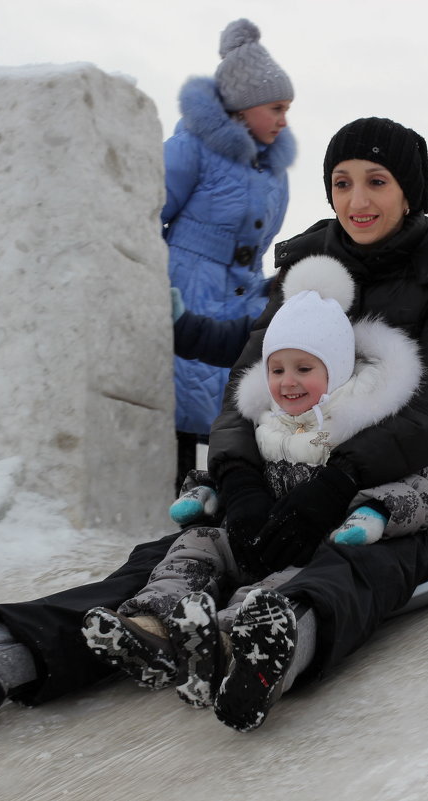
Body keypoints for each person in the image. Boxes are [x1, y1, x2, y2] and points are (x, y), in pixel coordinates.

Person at [0, 117, 428, 734]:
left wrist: (339, 482)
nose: (357, 199)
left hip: (401, 497)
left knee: (347, 569)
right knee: (168, 565)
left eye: (376, 182)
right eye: (342, 181)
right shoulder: (309, 266)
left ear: (409, 191)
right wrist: (240, 484)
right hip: (281, 474)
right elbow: (248, 384)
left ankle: (269, 652)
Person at [82, 253, 428, 714]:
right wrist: (206, 492)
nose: (288, 383)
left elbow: (419, 487)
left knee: (286, 585)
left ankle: (232, 641)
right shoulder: (264, 422)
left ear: (336, 370)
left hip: (313, 545)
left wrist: (373, 514)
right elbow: (229, 470)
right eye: (277, 370)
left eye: (304, 369)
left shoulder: (363, 424)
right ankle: (158, 622)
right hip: (254, 534)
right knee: (196, 543)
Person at [163, 18, 297, 490]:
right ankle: (175, 491)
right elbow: (147, 208)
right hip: (188, 284)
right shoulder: (190, 149)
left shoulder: (274, 172)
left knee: (236, 397)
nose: (284, 120)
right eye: (276, 108)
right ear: (242, 108)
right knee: (183, 395)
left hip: (240, 291)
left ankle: (224, 497)